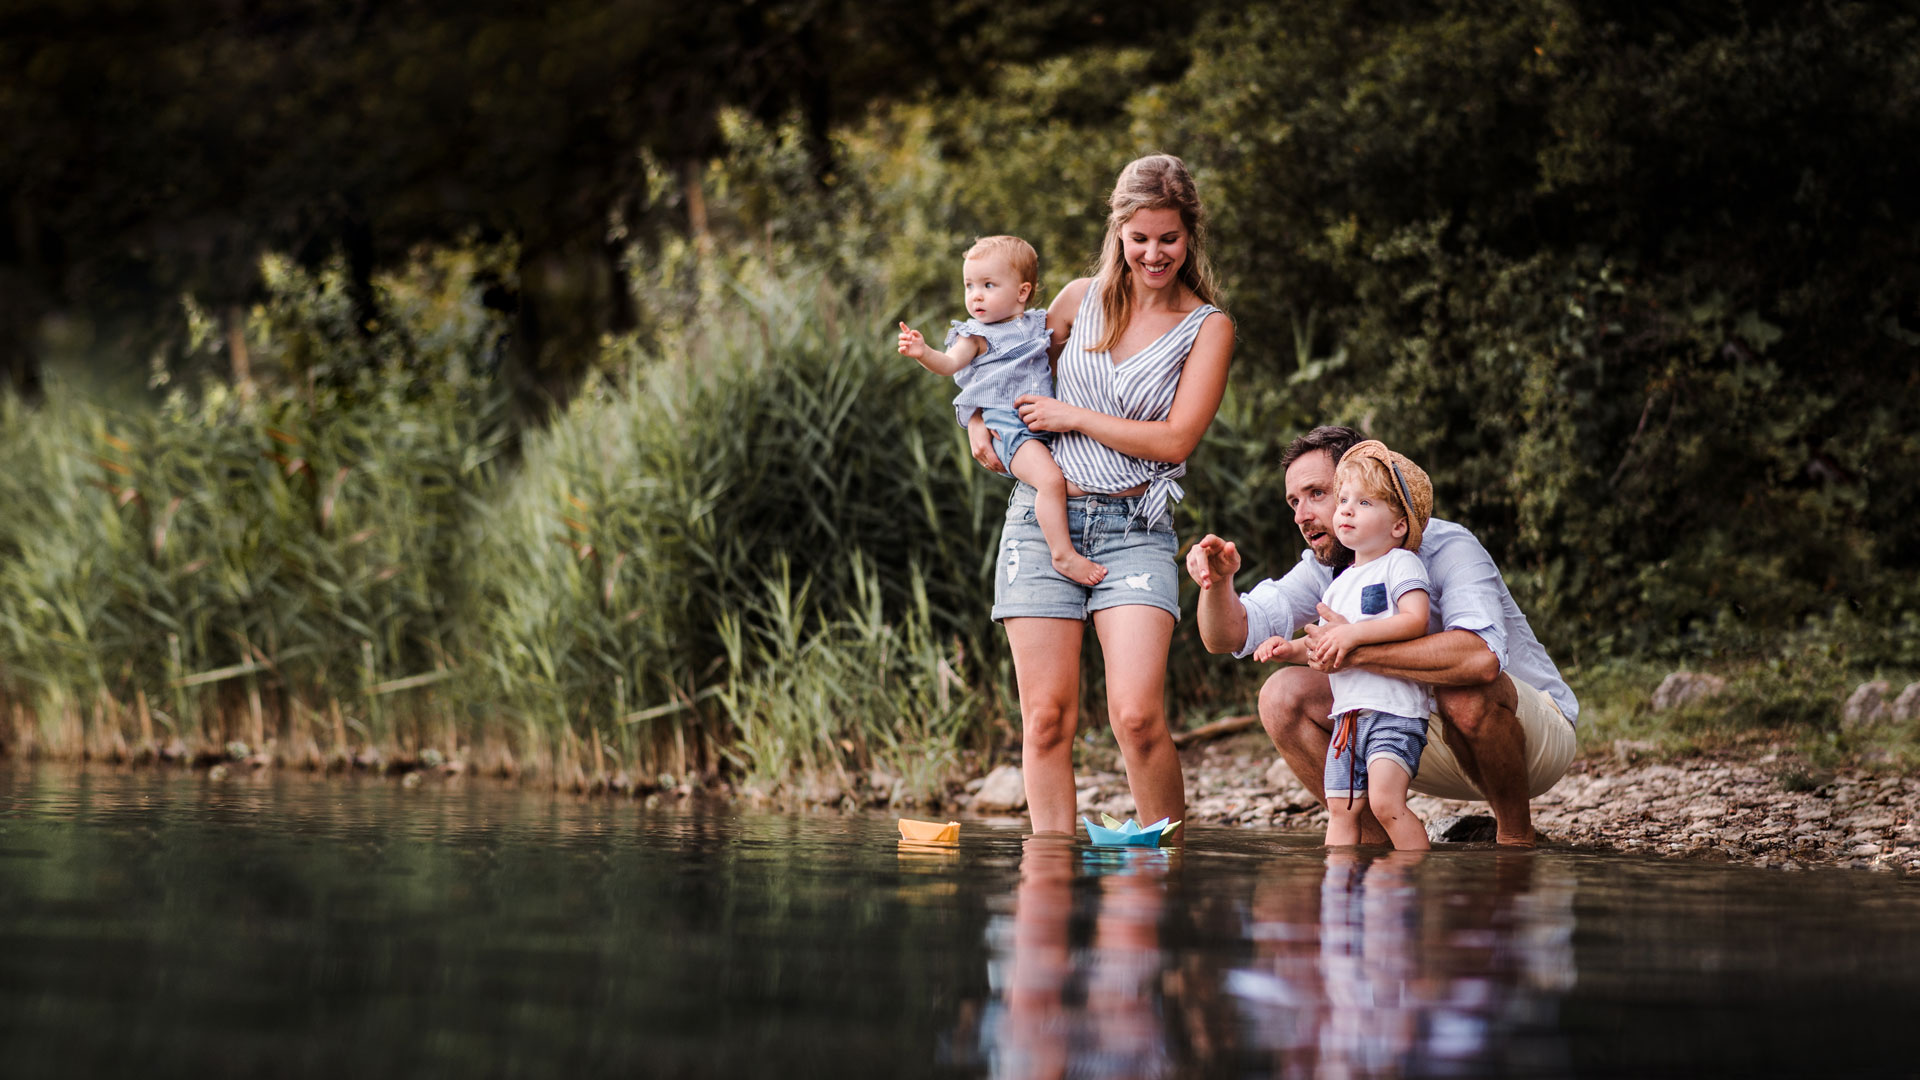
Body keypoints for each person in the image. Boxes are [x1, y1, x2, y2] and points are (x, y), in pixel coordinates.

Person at [978, 153, 1234, 836]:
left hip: (1135, 527)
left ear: (1190, 236)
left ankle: (1165, 865)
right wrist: (979, 422)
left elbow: (1177, 440)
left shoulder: (1208, 327)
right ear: (1119, 232)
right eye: (1140, 237)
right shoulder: (1073, 301)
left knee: (1138, 717)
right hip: (1043, 522)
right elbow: (999, 370)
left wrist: (1075, 418)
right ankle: (1050, 881)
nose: (1155, 253)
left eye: (1170, 238)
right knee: (1046, 719)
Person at [1186, 426, 1577, 847]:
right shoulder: (1329, 568)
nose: (1301, 516)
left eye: (1317, 494)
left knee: (1462, 688)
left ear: (1365, 481)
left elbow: (1479, 658)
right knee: (1280, 696)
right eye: (1294, 502)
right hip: (1405, 733)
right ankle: (1377, 854)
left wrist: (1356, 650)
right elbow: (1226, 637)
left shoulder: (1447, 546)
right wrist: (1217, 584)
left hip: (1530, 740)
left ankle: (1516, 842)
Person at [1255, 441, 1434, 850]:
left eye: (1365, 503)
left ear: (1398, 526)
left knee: (1387, 803)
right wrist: (1291, 649)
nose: (1347, 510)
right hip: (1347, 720)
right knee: (1341, 808)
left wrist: (1353, 634)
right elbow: (1323, 643)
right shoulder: (1340, 582)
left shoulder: (1400, 564)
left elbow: (1414, 620)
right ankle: (1338, 886)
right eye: (1345, 501)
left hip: (1393, 712)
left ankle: (1414, 878)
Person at [899, 236, 1106, 585]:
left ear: (1022, 292)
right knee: (1051, 481)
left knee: (1065, 476)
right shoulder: (975, 335)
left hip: (1042, 421)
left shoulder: (1036, 324)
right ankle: (1063, 555)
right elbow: (949, 364)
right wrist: (923, 353)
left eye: (988, 285)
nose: (975, 295)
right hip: (1008, 427)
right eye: (969, 286)